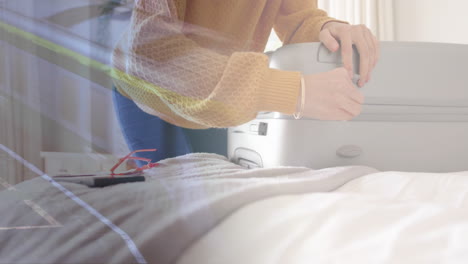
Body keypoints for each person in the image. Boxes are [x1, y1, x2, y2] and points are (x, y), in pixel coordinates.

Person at [112, 0, 379, 164]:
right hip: (148, 95)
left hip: (219, 94)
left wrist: (326, 28)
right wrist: (293, 92)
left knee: (215, 195)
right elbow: (152, 55)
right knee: (170, 202)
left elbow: (299, 18)